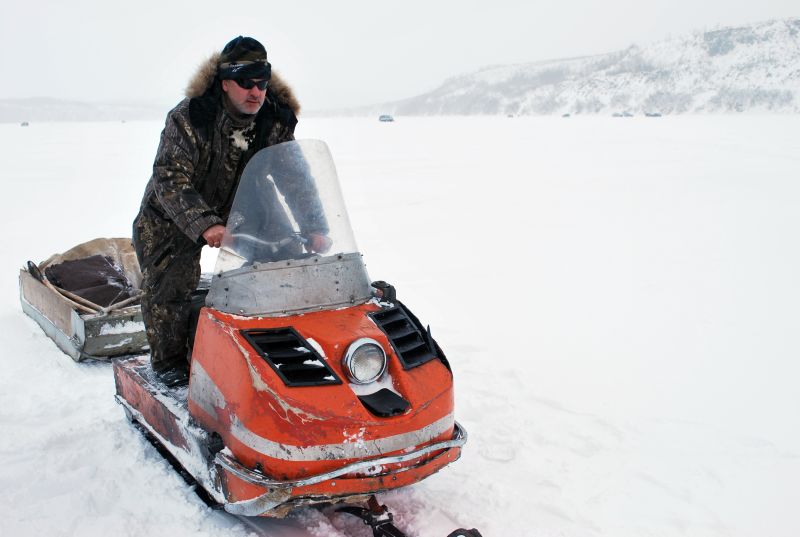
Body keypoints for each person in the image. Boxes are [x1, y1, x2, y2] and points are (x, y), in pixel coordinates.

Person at [133, 36, 330, 386]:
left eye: (262, 83)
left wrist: (315, 226)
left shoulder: (273, 119)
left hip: (243, 203)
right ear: (225, 83)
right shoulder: (191, 117)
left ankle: (278, 346)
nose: (256, 92)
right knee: (169, 286)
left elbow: (293, 176)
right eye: (245, 83)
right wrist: (206, 224)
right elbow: (169, 176)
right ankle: (169, 364)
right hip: (172, 212)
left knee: (286, 256)